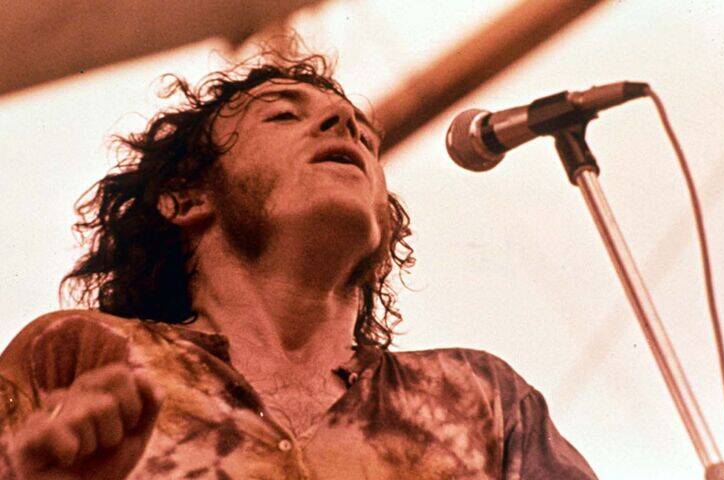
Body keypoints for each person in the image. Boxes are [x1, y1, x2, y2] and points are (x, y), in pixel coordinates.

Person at [0, 49, 598, 479]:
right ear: (184, 197)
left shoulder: (481, 398)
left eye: (366, 140)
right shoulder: (79, 352)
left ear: (385, 220)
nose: (345, 124)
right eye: (284, 115)